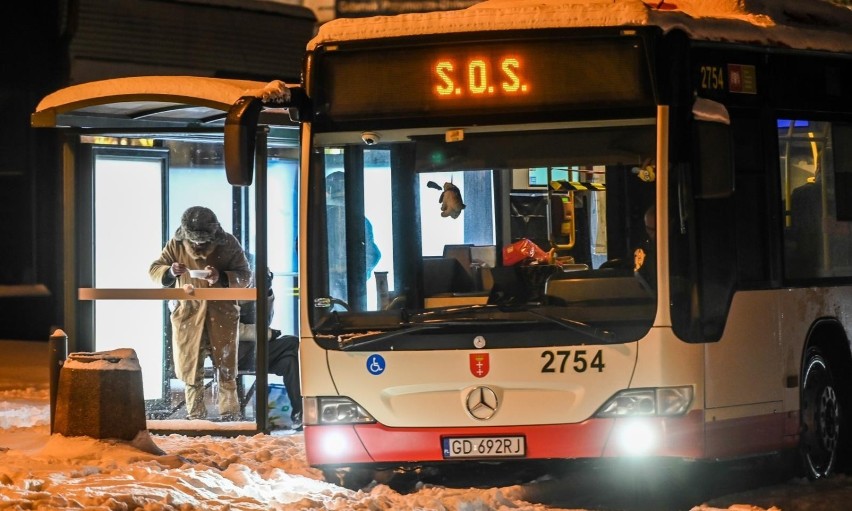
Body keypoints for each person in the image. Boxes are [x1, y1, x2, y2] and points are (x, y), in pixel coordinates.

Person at [149, 206, 252, 421]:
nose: (197, 245)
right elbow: (155, 269)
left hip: (222, 312)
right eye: (194, 241)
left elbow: (246, 276)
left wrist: (222, 277)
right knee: (190, 369)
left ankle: (230, 416)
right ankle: (195, 417)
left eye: (202, 241)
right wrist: (170, 272)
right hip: (188, 314)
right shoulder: (175, 244)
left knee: (226, 369)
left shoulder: (229, 243)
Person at [237, 266, 303, 430]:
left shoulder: (254, 294)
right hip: (237, 354)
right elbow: (234, 330)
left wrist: (267, 294)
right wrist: (268, 334)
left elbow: (265, 321)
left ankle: (300, 412)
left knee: (290, 361)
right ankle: (306, 405)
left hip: (256, 350)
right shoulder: (231, 295)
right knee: (293, 342)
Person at [633, 204, 656, 289]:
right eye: (649, 229)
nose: (654, 234)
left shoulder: (680, 250)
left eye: (656, 229)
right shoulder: (641, 251)